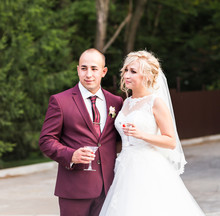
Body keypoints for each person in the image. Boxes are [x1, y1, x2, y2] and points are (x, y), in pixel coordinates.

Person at [99, 50, 205, 216]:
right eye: (126, 70)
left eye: (133, 71)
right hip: (124, 166)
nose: (126, 75)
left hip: (148, 166)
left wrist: (142, 135)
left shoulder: (156, 102)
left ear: (147, 76)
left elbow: (171, 141)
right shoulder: (126, 102)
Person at [39, 48, 123, 216]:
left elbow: (119, 139)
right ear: (78, 69)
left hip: (109, 189)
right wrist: (70, 155)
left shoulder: (116, 101)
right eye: (84, 68)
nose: (88, 74)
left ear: (104, 71)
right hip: (74, 190)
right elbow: (46, 140)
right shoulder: (60, 101)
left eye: (94, 68)